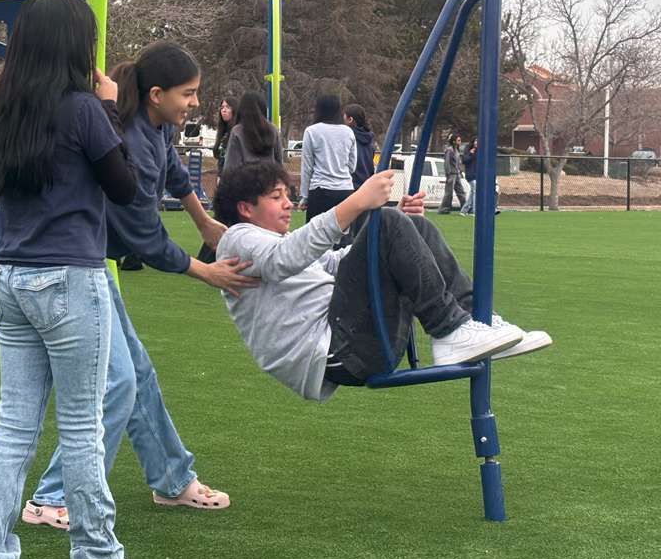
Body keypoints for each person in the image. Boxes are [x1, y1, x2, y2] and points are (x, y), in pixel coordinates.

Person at [23, 42, 247, 532]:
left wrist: (205, 222)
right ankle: (51, 497)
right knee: (118, 381)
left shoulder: (160, 127)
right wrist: (206, 271)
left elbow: (175, 172)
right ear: (155, 94)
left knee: (137, 375)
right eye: (188, 94)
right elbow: (144, 237)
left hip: (89, 264)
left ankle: (171, 479)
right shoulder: (129, 140)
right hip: (77, 266)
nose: (195, 103)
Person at [0, 0, 138, 559]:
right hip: (69, 279)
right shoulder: (84, 109)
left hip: (10, 278)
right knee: (82, 429)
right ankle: (98, 555)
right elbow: (126, 188)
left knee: (12, 429)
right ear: (76, 48)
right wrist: (113, 108)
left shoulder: (0, 113)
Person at [213, 161, 551, 399]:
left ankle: (473, 320)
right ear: (245, 208)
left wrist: (400, 231)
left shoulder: (271, 244)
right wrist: (356, 203)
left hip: (349, 337)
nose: (289, 204)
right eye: (276, 197)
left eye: (287, 195)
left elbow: (335, 263)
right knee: (386, 222)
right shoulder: (238, 240)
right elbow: (283, 260)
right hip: (337, 350)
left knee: (408, 224)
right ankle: (449, 329)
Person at [300, 94, 356, 222]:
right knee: (343, 237)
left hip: (320, 190)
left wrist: (304, 195)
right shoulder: (348, 132)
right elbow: (352, 166)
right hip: (345, 190)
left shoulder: (311, 131)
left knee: (315, 237)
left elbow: (307, 167)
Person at [223, 91, 282, 174]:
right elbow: (279, 162)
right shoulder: (273, 130)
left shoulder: (237, 131)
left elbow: (230, 166)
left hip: (245, 183)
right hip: (269, 182)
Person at [460, 137, 499, 215]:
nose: (477, 143)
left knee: (473, 193)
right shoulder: (469, 150)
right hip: (471, 175)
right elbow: (465, 160)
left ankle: (464, 210)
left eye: (479, 142)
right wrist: (471, 153)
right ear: (473, 142)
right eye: (476, 141)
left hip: (478, 175)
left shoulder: (481, 152)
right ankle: (474, 211)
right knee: (475, 192)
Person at [344, 103, 375, 190]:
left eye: (344, 117)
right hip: (366, 186)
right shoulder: (369, 138)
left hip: (351, 186)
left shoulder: (348, 138)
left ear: (350, 119)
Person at [439, 134, 467, 215]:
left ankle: (464, 208)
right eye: (458, 140)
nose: (460, 142)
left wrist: (460, 171)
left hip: (457, 174)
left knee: (461, 192)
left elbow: (458, 163)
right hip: (451, 174)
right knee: (449, 193)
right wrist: (448, 173)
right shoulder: (449, 150)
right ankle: (444, 209)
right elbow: (447, 162)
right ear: (454, 141)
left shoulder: (456, 150)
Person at [212, 96, 235, 173]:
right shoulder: (223, 131)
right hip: (222, 175)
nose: (224, 110)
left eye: (227, 107)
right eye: (222, 108)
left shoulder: (238, 131)